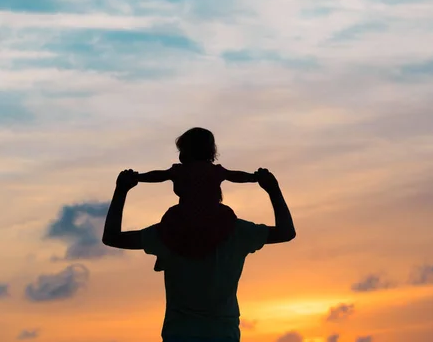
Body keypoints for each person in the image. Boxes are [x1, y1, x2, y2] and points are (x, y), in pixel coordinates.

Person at [102, 167, 296, 342]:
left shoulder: (166, 234)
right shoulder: (238, 232)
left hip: (179, 334)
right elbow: (286, 232)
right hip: (223, 334)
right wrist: (272, 188)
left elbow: (112, 237)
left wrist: (122, 190)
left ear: (178, 189)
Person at [135, 127, 258, 269]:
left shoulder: (180, 171)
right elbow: (236, 176)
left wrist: (138, 177)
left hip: (189, 212)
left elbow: (157, 176)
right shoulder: (215, 170)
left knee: (170, 222)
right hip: (208, 211)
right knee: (174, 221)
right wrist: (254, 177)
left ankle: (166, 252)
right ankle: (167, 252)